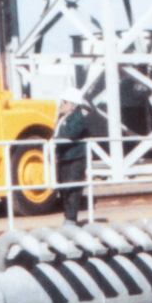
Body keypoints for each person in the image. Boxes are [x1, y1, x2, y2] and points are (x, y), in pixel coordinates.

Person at [53, 86, 92, 224]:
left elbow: (71, 133)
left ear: (72, 104)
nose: (61, 105)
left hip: (74, 158)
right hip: (65, 157)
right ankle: (68, 217)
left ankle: (71, 218)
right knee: (64, 188)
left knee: (72, 189)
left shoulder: (77, 117)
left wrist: (57, 139)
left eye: (64, 102)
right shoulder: (64, 118)